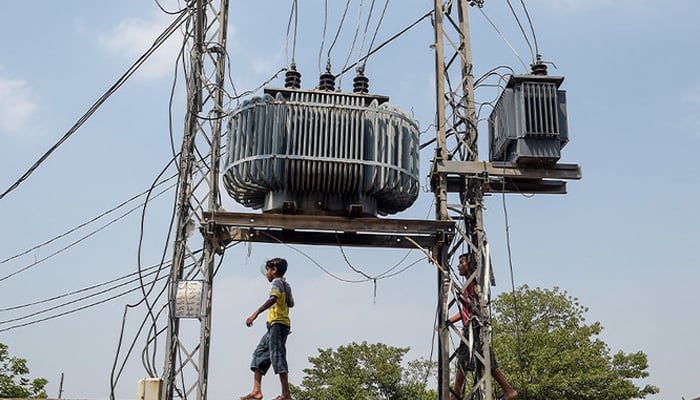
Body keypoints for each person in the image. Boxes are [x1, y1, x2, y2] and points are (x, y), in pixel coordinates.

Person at [448, 253, 518, 400]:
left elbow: (473, 309)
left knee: (463, 360)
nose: (458, 265)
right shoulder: (469, 284)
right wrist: (449, 320)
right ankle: (508, 390)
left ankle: (455, 395)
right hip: (473, 326)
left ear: (470, 264)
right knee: (488, 361)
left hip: (473, 328)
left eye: (462, 262)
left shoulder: (474, 284)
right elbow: (466, 311)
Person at [240, 257, 295, 400]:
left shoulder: (277, 282)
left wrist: (255, 313)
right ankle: (256, 391)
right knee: (259, 353)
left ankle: (286, 394)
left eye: (268, 270)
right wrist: (285, 286)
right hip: (274, 326)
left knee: (277, 355)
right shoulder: (285, 284)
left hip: (278, 324)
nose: (267, 274)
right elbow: (291, 303)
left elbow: (273, 298)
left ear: (274, 270)